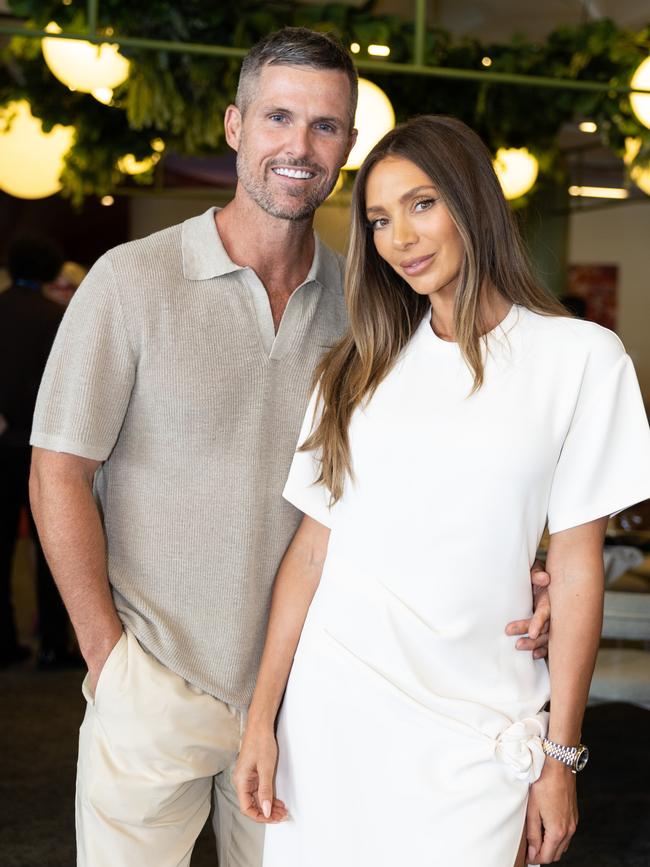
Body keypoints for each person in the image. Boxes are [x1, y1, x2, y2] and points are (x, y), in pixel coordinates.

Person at [30, 32, 550, 867]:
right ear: (236, 126)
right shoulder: (131, 281)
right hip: (154, 681)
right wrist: (106, 656)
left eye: (326, 126)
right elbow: (59, 468)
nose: (299, 147)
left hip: (309, 696)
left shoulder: (369, 311)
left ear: (348, 146)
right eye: (279, 117)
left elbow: (429, 481)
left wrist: (523, 569)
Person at [234, 115, 650, 867]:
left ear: (473, 202)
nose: (401, 238)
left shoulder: (581, 360)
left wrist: (561, 756)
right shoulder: (354, 371)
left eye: (423, 204)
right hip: (336, 711)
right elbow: (311, 553)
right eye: (380, 219)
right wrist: (262, 718)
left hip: (480, 722)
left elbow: (579, 565)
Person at [0, 236, 72, 668]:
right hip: (42, 448)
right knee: (52, 547)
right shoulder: (56, 318)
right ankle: (52, 644)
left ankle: (4, 642)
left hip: (0, 445)